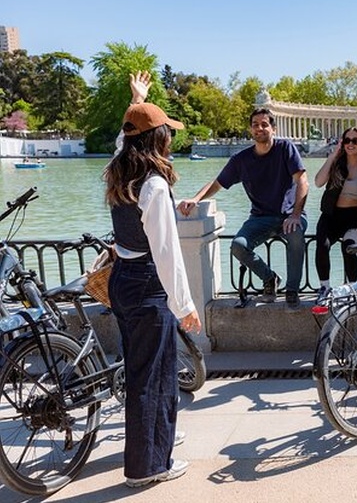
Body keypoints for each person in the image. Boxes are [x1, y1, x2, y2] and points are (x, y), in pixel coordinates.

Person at [104, 71, 201, 488]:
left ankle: (156, 439)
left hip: (121, 281)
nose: (171, 139)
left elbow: (120, 141)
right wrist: (185, 306)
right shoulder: (155, 185)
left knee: (141, 370)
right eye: (167, 132)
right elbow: (167, 254)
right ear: (157, 139)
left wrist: (137, 100)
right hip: (146, 284)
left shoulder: (117, 169)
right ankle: (148, 467)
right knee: (155, 375)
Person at [177, 109, 309, 308]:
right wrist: (196, 198)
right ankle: (269, 278)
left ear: (273, 128)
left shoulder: (285, 148)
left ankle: (292, 290)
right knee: (238, 245)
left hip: (290, 215)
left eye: (264, 124)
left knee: (296, 235)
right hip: (260, 217)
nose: (259, 128)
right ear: (250, 129)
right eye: (255, 124)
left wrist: (296, 214)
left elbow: (303, 181)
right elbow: (218, 183)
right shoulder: (241, 159)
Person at [312, 126, 357, 304]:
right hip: (331, 215)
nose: (350, 144)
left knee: (349, 247)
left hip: (355, 217)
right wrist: (332, 156)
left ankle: (352, 288)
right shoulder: (337, 163)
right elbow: (318, 182)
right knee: (322, 245)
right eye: (347, 140)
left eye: (355, 140)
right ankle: (324, 287)